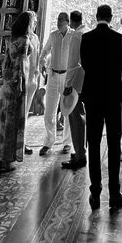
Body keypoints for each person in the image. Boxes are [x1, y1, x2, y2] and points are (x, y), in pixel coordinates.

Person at [80, 3, 122, 210]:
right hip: (111, 96)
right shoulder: (117, 38)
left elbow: (85, 64)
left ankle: (95, 192)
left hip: (92, 96)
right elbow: (121, 66)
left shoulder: (86, 38)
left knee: (93, 142)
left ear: (96, 15)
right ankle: (114, 192)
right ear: (110, 17)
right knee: (114, 143)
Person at [0, 12, 33, 172]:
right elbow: (21, 65)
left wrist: (7, 81)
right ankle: (5, 161)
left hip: (9, 82)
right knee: (13, 122)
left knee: (5, 121)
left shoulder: (12, 38)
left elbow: (6, 62)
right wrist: (20, 84)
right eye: (34, 21)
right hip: (17, 84)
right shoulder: (24, 40)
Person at [39, 12, 73, 155]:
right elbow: (45, 51)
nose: (58, 22)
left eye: (61, 20)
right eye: (58, 20)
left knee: (67, 111)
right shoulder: (53, 35)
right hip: (53, 76)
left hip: (66, 76)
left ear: (67, 22)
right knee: (49, 112)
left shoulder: (73, 36)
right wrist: (41, 63)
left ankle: (67, 143)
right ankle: (48, 142)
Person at [61, 10, 87, 171]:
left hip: (77, 83)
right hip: (88, 82)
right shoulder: (88, 32)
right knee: (82, 117)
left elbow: (73, 62)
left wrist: (67, 84)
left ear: (71, 22)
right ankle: (81, 151)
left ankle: (79, 155)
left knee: (75, 118)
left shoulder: (76, 36)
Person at [23, 17, 41, 155]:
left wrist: (37, 73)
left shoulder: (35, 38)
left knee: (25, 113)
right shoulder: (20, 38)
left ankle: (21, 141)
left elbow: (37, 56)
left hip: (31, 80)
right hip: (20, 78)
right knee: (18, 113)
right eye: (33, 22)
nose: (35, 24)